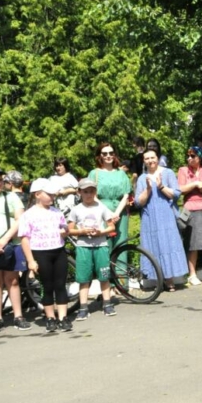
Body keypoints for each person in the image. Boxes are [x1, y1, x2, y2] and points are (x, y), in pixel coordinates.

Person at [19, 178, 71, 333]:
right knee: (47, 286)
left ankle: (63, 317)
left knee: (61, 285)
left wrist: (65, 232)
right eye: (49, 194)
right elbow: (24, 238)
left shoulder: (57, 212)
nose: (52, 197)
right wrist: (30, 260)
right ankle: (50, 317)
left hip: (58, 251)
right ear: (37, 194)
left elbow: (64, 230)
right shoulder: (28, 215)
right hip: (40, 253)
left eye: (53, 194)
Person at [0, 164, 31, 334]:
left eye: (0, 180)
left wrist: (4, 240)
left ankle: (18, 316)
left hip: (11, 243)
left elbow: (20, 219)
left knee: (12, 280)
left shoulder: (11, 197)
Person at [135, 149, 189, 291]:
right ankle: (157, 280)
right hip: (149, 218)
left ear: (157, 158)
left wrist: (161, 186)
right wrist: (147, 189)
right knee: (152, 246)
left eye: (152, 157)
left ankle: (169, 279)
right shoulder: (142, 178)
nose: (150, 160)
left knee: (168, 244)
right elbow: (138, 202)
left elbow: (176, 194)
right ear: (144, 161)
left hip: (166, 216)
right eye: (147, 158)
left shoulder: (168, 173)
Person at [68, 178, 117, 318]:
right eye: (85, 192)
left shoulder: (101, 207)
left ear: (95, 192)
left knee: (104, 276)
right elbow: (70, 230)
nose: (89, 194)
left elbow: (111, 226)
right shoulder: (76, 210)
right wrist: (82, 232)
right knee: (83, 278)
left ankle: (107, 303)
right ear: (79, 193)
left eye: (91, 191)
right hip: (83, 246)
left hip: (101, 245)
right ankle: (83, 307)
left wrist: (101, 232)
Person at [177, 146, 202, 285]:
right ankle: (192, 274)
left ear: (199, 158)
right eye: (188, 156)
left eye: (193, 156)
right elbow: (180, 189)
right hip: (190, 209)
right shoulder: (183, 170)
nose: (189, 158)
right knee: (192, 244)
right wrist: (195, 183)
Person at [88, 143, 132, 252]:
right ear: (100, 156)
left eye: (111, 153)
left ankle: (120, 268)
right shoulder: (94, 173)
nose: (108, 156)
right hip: (101, 211)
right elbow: (92, 196)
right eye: (105, 153)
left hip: (120, 212)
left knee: (121, 243)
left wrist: (116, 213)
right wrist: (109, 213)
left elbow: (126, 194)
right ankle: (105, 268)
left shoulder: (121, 173)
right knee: (104, 243)